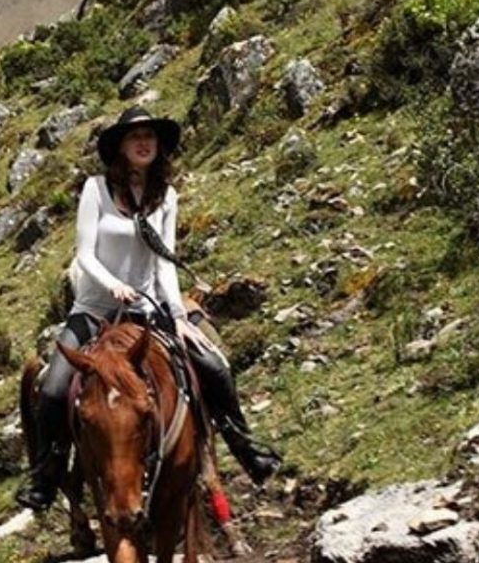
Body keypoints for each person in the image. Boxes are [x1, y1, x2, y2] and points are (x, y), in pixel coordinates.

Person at [16, 105, 281, 512]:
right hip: (92, 309)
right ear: (120, 147)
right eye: (135, 137)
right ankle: (46, 478)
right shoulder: (96, 190)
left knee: (213, 367)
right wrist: (113, 286)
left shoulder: (166, 198)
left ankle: (246, 448)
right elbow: (85, 254)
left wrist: (176, 316)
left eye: (150, 137)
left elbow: (164, 262)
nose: (144, 143)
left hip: (147, 309)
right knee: (53, 389)